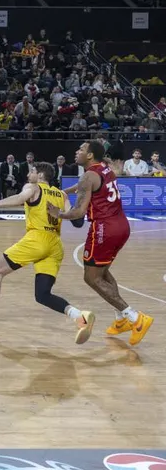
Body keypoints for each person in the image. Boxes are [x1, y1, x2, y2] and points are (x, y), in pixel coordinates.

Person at [0, 162, 94, 342]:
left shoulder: (33, 187)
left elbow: (19, 198)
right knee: (42, 295)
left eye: (32, 171)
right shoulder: (62, 194)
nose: (29, 174)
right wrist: (80, 199)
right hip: (55, 246)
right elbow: (78, 222)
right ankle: (79, 316)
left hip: (37, 239)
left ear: (40, 175)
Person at [49, 141, 154, 346]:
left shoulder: (88, 176)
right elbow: (85, 186)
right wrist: (65, 191)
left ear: (90, 156)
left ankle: (135, 318)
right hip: (121, 225)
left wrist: (58, 213)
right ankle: (121, 319)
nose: (77, 151)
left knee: (91, 277)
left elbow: (78, 212)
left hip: (104, 229)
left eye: (81, 149)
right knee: (103, 272)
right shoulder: (105, 168)